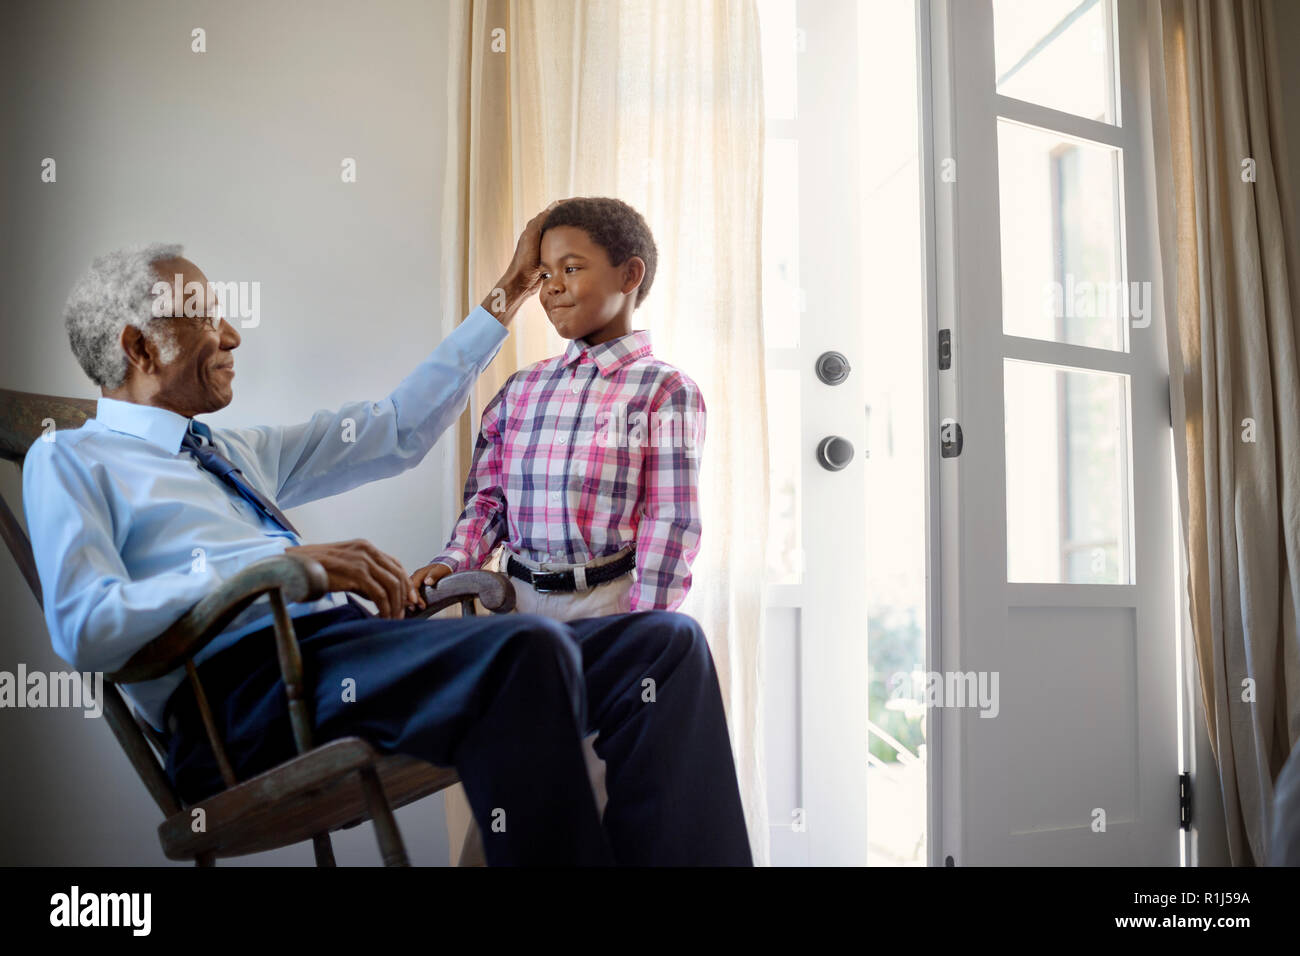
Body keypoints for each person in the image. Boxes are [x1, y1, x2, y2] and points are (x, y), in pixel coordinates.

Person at [21, 207, 753, 865]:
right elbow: (85, 625)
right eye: (206, 317)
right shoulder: (70, 457)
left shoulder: (232, 452)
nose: (232, 332)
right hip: (248, 706)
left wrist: (508, 292)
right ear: (139, 348)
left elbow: (396, 431)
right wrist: (279, 569)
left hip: (348, 660)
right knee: (524, 650)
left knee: (666, 646)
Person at [409, 197, 705, 620]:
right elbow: (489, 501)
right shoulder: (520, 389)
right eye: (544, 273)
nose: (551, 286)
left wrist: (643, 625)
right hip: (512, 602)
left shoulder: (665, 390)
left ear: (629, 275)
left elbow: (670, 521)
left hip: (606, 608)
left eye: (570, 268)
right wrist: (453, 560)